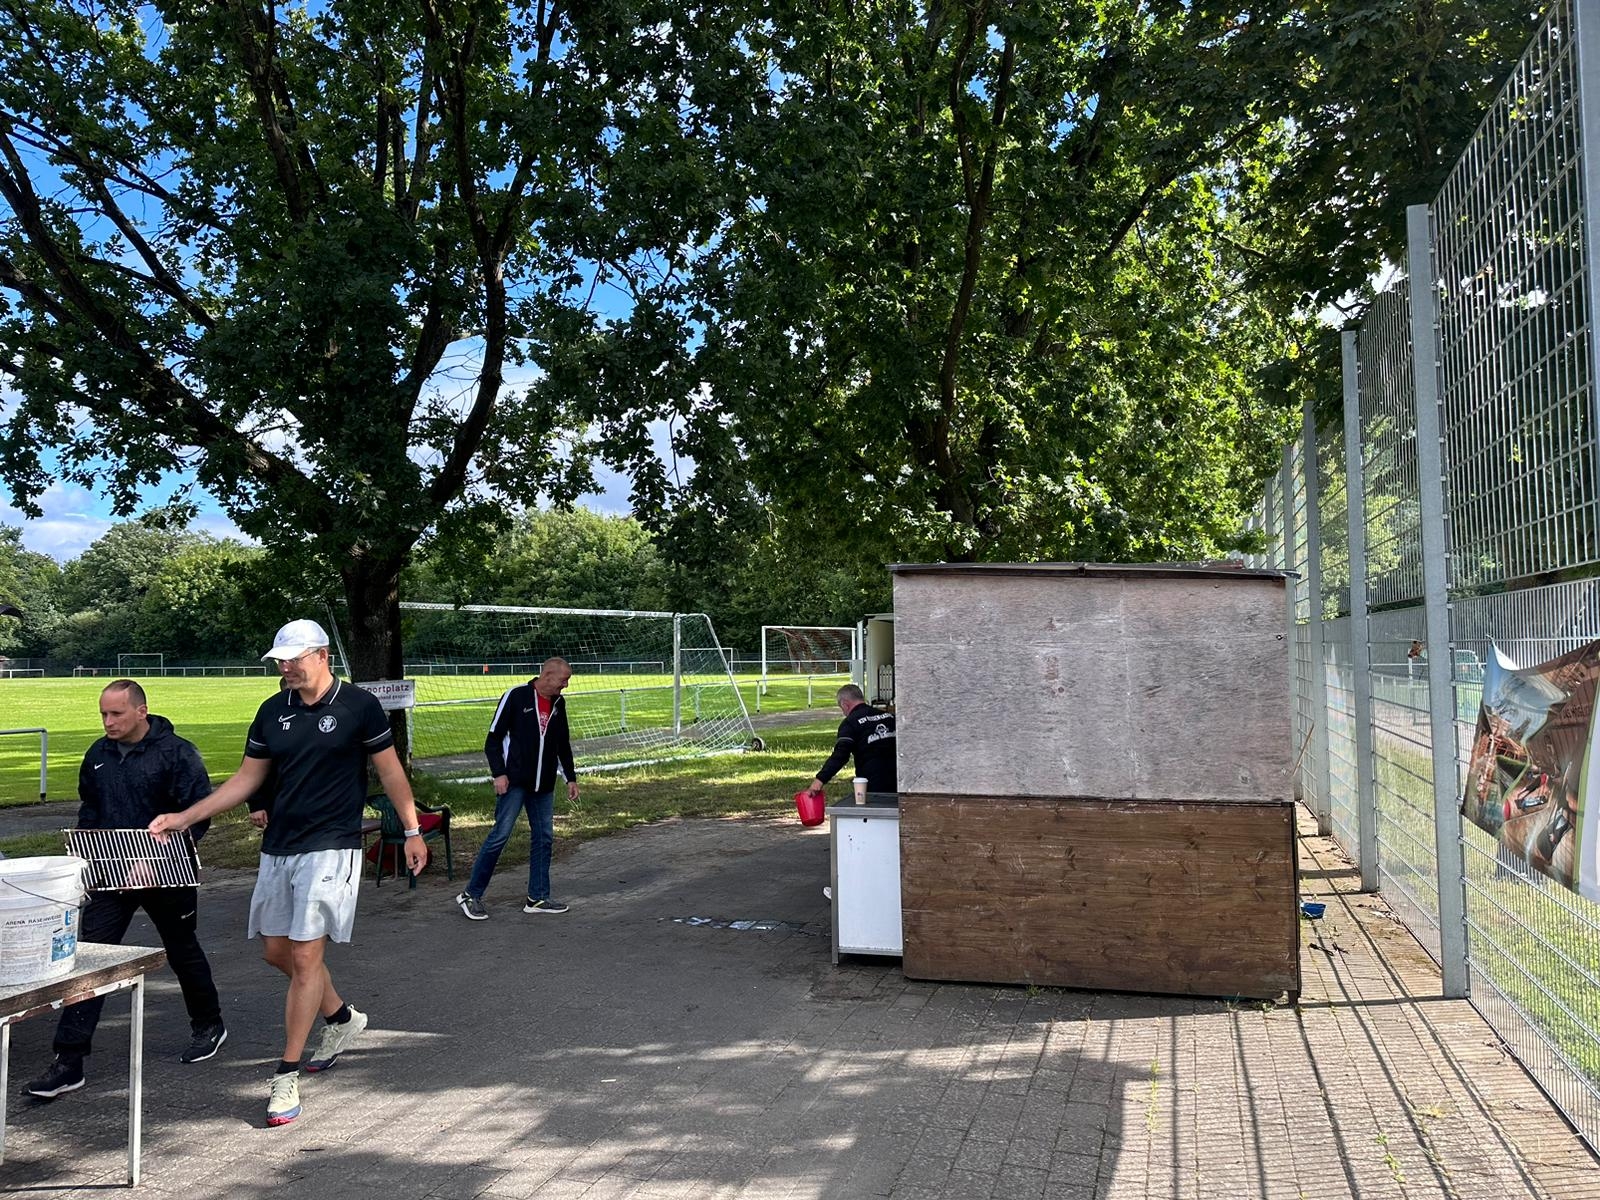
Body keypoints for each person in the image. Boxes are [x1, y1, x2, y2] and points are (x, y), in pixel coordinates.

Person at [150, 618, 427, 1129]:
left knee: (304, 958)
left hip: (333, 846)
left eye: (294, 659)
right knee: (276, 952)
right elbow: (246, 778)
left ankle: (286, 1074)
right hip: (280, 845)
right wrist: (185, 817)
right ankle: (341, 1017)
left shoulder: (359, 706)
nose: (285, 668)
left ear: (322, 656)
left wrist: (411, 829)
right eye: (280, 660)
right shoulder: (272, 710)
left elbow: (390, 771)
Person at [26, 680, 227, 1099]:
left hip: (166, 873)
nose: (108, 721)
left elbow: (197, 815)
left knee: (182, 949)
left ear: (141, 711)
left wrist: (157, 857)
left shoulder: (178, 753)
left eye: (116, 713)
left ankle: (209, 1024)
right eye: (103, 713)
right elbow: (90, 808)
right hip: (108, 872)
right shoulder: (97, 754)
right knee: (88, 959)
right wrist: (82, 856)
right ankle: (69, 1059)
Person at [455, 657, 580, 920]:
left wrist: (570, 777)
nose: (566, 685)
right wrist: (499, 774)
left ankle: (538, 897)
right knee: (500, 836)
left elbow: (562, 743)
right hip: (514, 782)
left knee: (544, 838)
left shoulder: (559, 703)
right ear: (547, 675)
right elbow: (492, 740)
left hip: (543, 784)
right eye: (563, 680)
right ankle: (470, 894)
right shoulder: (515, 696)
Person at [806, 683, 897, 798]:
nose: (843, 712)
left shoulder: (850, 723)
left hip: (873, 784)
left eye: (841, 708)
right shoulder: (890, 717)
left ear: (845, 704)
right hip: (901, 780)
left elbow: (841, 754)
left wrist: (819, 781)